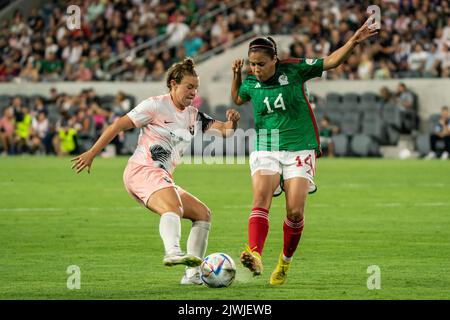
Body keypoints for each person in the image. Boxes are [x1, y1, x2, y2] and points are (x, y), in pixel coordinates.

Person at [231, 20, 377, 285]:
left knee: (295, 212)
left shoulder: (295, 69)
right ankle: (255, 254)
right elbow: (239, 98)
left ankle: (284, 263)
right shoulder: (251, 81)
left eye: (261, 64)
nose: (256, 69)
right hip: (266, 145)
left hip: (300, 146)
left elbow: (331, 62)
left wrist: (354, 41)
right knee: (260, 198)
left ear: (275, 59)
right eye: (252, 64)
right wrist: (237, 75)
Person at [71, 58, 240, 285]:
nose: (193, 92)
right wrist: (92, 153)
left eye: (196, 88)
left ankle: (192, 275)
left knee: (202, 214)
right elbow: (117, 125)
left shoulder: (192, 115)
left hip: (161, 176)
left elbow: (225, 130)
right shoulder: (154, 105)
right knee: (173, 206)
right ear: (173, 84)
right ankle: (172, 251)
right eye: (189, 86)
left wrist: (233, 122)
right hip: (142, 170)